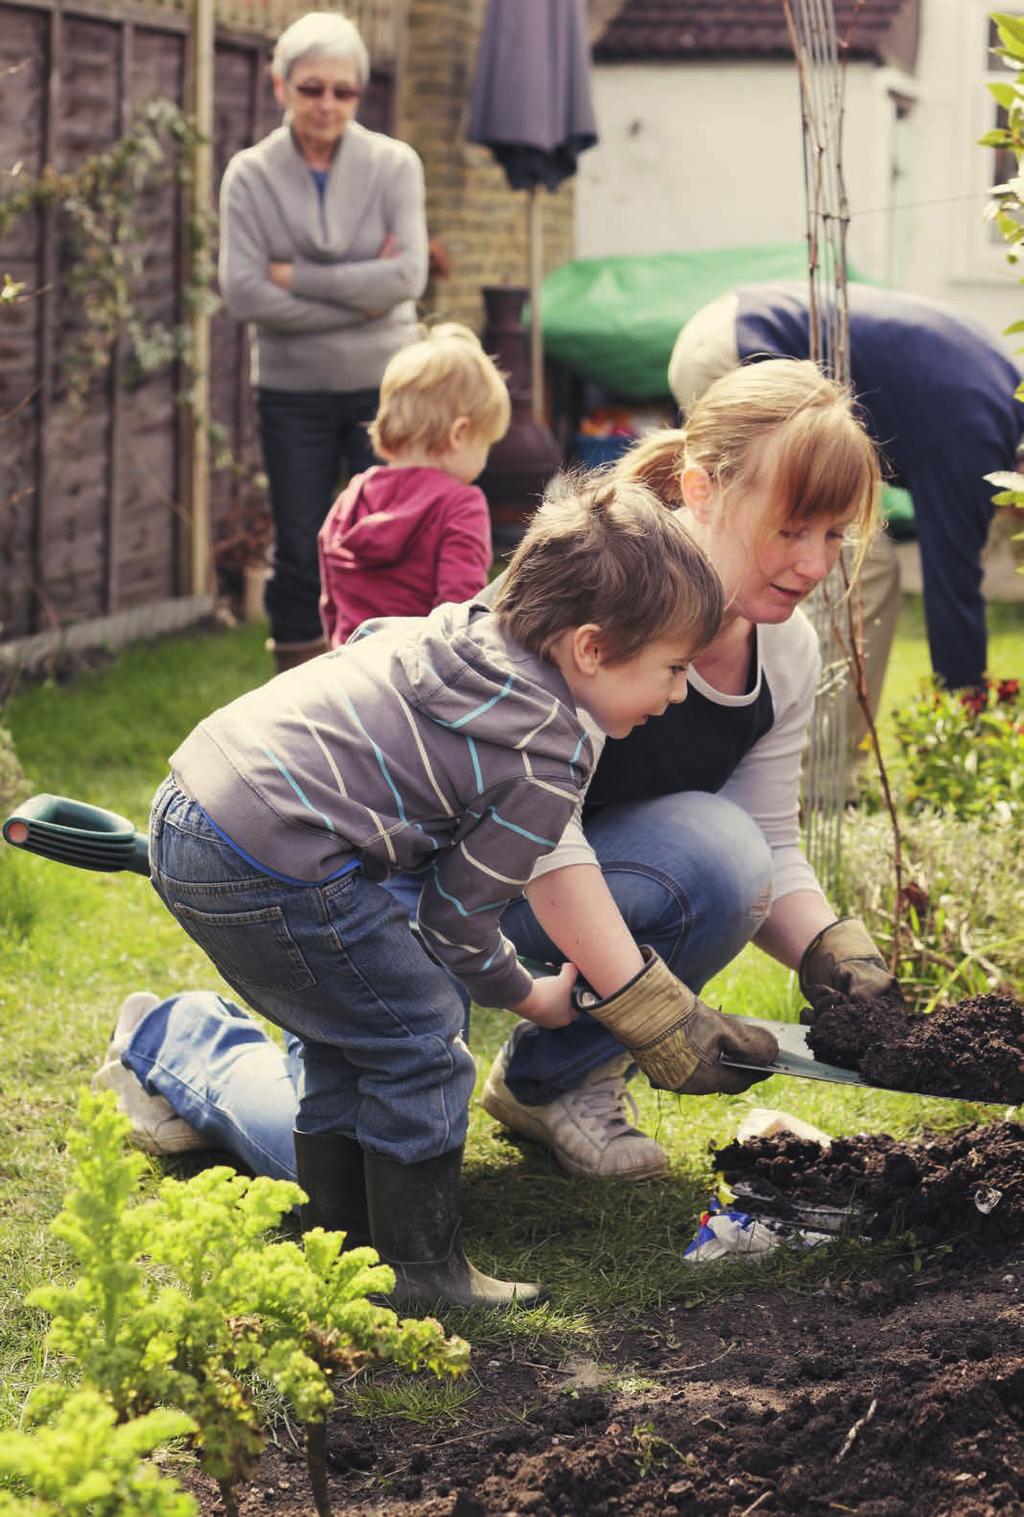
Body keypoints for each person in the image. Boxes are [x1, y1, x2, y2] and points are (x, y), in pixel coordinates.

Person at [99, 359, 897, 1196]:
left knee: (731, 856)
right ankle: (177, 1038)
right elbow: (545, 832)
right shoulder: (607, 593)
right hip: (394, 895)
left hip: (524, 892)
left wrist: (828, 949)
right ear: (701, 490)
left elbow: (767, 836)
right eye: (791, 528)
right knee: (332, 1158)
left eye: (835, 534)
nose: (814, 562)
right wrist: (643, 1004)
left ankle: (550, 1084)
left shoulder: (787, 650)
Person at [128, 474, 776, 1312]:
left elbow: (366, 646)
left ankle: (343, 1244)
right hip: (273, 853)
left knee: (352, 1033)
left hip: (195, 801)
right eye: (672, 668)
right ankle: (423, 1274)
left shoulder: (466, 632)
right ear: (588, 647)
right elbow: (453, 920)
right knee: (423, 1033)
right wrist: (532, 995)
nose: (679, 692)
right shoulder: (548, 749)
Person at [668, 282, 1024, 741]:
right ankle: (823, 768)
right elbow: (952, 584)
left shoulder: (1002, 394)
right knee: (863, 573)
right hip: (744, 346)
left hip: (727, 321)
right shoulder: (976, 439)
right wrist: (968, 716)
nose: (1013, 514)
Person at [219, 11, 429, 674]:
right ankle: (298, 692)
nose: (327, 104)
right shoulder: (248, 175)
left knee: (394, 536)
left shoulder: (396, 164)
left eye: (343, 91)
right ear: (278, 85)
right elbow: (245, 294)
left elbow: (408, 277)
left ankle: (397, 681)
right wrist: (364, 301)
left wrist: (298, 279)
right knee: (300, 544)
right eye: (311, 88)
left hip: (387, 388)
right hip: (292, 391)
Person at [317, 323, 508, 647]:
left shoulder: (351, 498)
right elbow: (460, 619)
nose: (485, 459)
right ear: (459, 434)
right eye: (486, 443)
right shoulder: (460, 505)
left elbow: (331, 605)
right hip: (418, 681)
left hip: (349, 675)